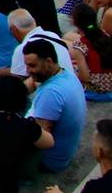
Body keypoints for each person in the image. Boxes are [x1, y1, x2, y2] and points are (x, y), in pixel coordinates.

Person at [26, 35, 87, 173]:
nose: (28, 70)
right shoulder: (66, 74)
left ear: (48, 61)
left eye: (32, 65)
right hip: (65, 151)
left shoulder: (50, 93)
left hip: (50, 160)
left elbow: (39, 140)